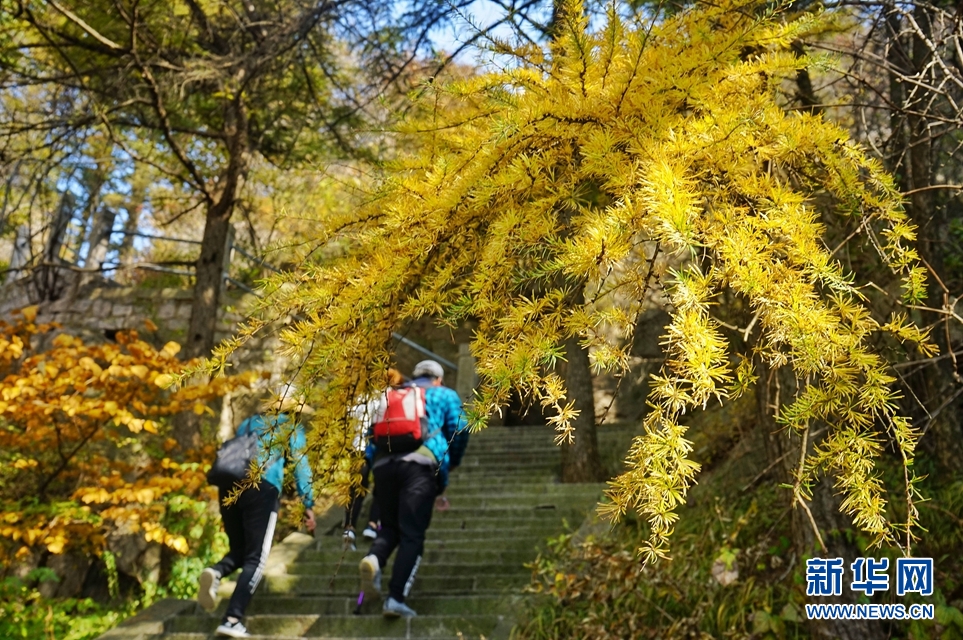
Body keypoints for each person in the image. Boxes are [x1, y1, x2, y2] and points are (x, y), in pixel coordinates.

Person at [198, 392, 316, 638]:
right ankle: (232, 619)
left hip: (229, 487)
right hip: (261, 487)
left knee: (240, 551)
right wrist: (308, 503)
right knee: (256, 559)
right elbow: (301, 466)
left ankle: (217, 571)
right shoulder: (291, 426)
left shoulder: (248, 422)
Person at [359, 360, 470, 618]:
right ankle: (395, 598)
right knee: (413, 533)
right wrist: (450, 461)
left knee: (390, 527)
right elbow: (459, 429)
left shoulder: (393, 394)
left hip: (385, 467)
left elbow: (370, 435)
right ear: (438, 379)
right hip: (419, 467)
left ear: (415, 376)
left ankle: (374, 559)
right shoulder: (444, 394)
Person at [343, 369, 405, 551]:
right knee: (381, 489)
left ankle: (349, 527)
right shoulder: (391, 398)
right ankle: (372, 524)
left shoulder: (361, 397)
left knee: (356, 489)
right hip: (380, 449)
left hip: (357, 448)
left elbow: (348, 415)